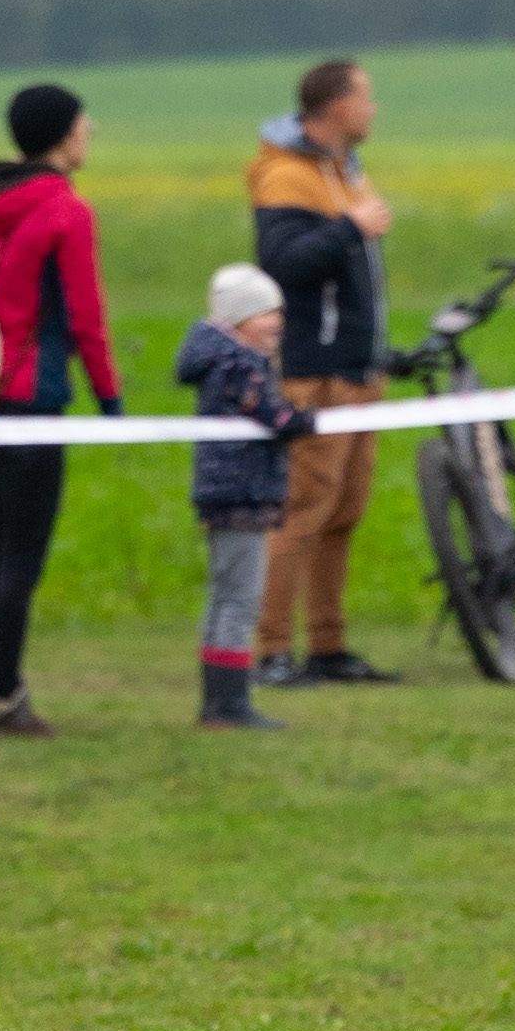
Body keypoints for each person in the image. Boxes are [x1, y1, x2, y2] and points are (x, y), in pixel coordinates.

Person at [0, 82, 122, 739]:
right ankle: (6, 698)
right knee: (22, 557)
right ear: (62, 135)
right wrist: (110, 400)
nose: (89, 133)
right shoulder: (66, 210)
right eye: (83, 124)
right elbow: (85, 316)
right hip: (34, 399)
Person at [250, 57, 399, 687]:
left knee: (343, 513)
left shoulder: (344, 169)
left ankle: (328, 646)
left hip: (359, 372)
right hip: (317, 374)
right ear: (338, 106)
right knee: (300, 513)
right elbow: (280, 264)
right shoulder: (287, 175)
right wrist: (349, 228)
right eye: (366, 97)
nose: (373, 108)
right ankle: (271, 650)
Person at [174, 264, 318, 732]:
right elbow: (274, 415)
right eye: (265, 313)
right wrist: (306, 419)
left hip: (224, 494)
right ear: (238, 320)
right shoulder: (238, 365)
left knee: (224, 597)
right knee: (240, 600)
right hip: (242, 495)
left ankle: (219, 700)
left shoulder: (220, 359)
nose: (277, 322)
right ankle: (228, 703)